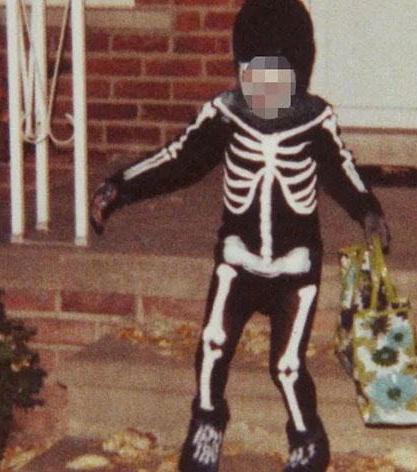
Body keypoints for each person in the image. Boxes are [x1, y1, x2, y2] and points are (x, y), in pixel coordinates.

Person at [90, 0, 390, 470]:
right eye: (255, 73)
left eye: (278, 75)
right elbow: (179, 160)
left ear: (299, 72)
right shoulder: (226, 113)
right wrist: (121, 186)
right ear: (241, 69)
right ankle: (207, 421)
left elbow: (341, 170)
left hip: (295, 268)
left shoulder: (315, 119)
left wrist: (368, 209)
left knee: (288, 366)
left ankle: (308, 436)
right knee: (212, 345)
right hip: (238, 261)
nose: (265, 87)